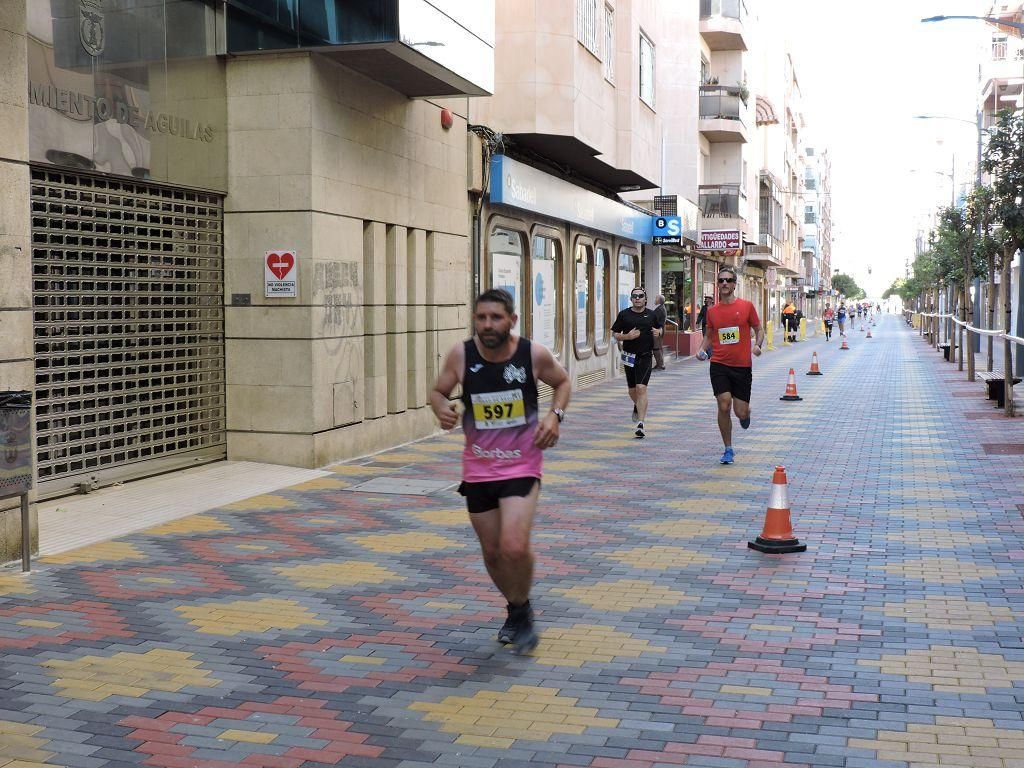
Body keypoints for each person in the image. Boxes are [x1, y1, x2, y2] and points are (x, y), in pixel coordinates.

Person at [429, 288, 571, 655]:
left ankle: (521, 610)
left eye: (495, 317)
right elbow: (438, 391)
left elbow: (563, 382)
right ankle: (518, 608)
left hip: (522, 465)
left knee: (513, 545)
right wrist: (441, 407)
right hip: (478, 470)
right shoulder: (462, 354)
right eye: (480, 318)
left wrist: (555, 416)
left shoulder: (532, 354)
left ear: (512, 320)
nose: (487, 325)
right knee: (492, 553)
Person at [695, 267, 765, 465]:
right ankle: (728, 449)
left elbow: (759, 330)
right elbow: (709, 336)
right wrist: (701, 350)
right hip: (719, 364)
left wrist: (758, 345)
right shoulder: (712, 311)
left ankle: (746, 414)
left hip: (742, 366)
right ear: (718, 285)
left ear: (735, 284)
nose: (724, 283)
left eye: (728, 280)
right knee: (723, 404)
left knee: (739, 412)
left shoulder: (746, 307)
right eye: (721, 281)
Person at [612, 287, 663, 438]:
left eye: (640, 296)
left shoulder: (651, 315)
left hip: (645, 356)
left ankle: (641, 424)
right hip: (628, 356)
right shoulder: (624, 315)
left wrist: (659, 332)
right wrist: (627, 337)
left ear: (645, 299)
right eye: (634, 296)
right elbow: (614, 335)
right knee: (632, 391)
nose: (637, 298)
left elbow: (659, 327)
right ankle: (638, 405)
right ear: (631, 298)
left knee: (641, 388)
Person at [652, 295, 668, 371]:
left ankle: (660, 365)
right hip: (659, 329)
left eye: (656, 298)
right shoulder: (661, 308)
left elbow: (654, 319)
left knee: (656, 348)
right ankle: (660, 364)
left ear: (659, 300)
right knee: (658, 347)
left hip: (658, 330)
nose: (655, 299)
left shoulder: (660, 309)